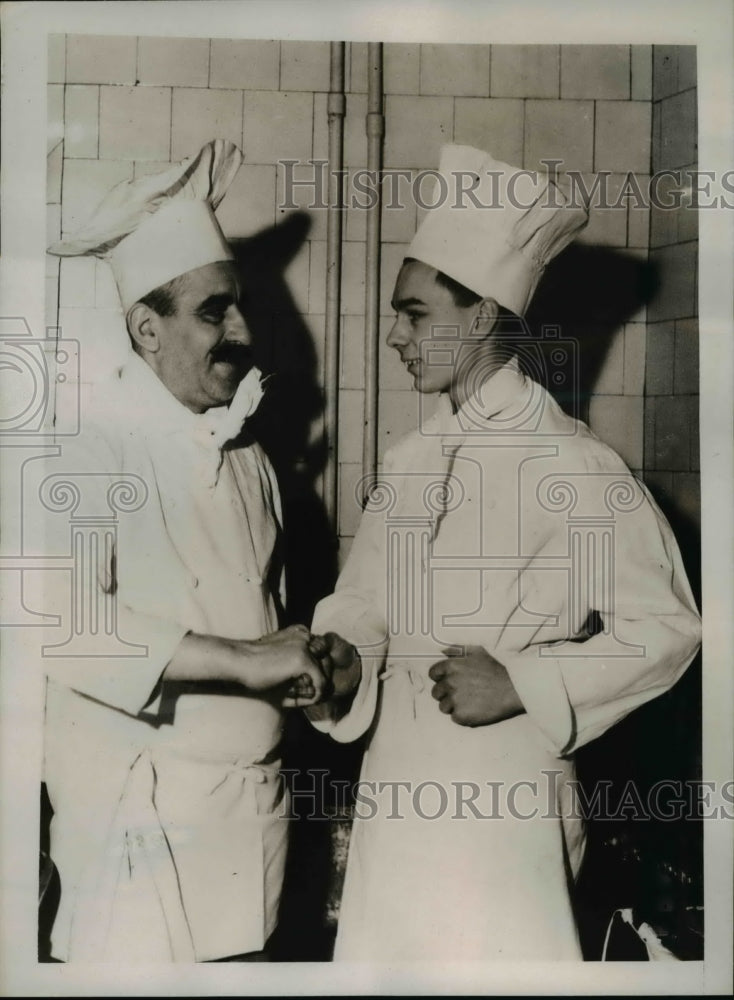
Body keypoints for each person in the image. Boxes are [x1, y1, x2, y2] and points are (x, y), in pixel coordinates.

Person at [307, 144, 702, 961]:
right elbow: (366, 600)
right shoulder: (413, 458)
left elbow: (668, 627)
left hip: (506, 805)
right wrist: (347, 651)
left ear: (482, 315)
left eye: (413, 314)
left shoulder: (577, 464)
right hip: (395, 791)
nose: (393, 335)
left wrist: (523, 681)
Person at [43, 139, 327, 962]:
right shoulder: (87, 450)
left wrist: (307, 664)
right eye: (214, 311)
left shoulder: (251, 460)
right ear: (146, 327)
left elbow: (263, 622)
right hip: (144, 831)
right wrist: (246, 659)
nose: (242, 331)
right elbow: (65, 628)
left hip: (253, 829)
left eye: (238, 307)